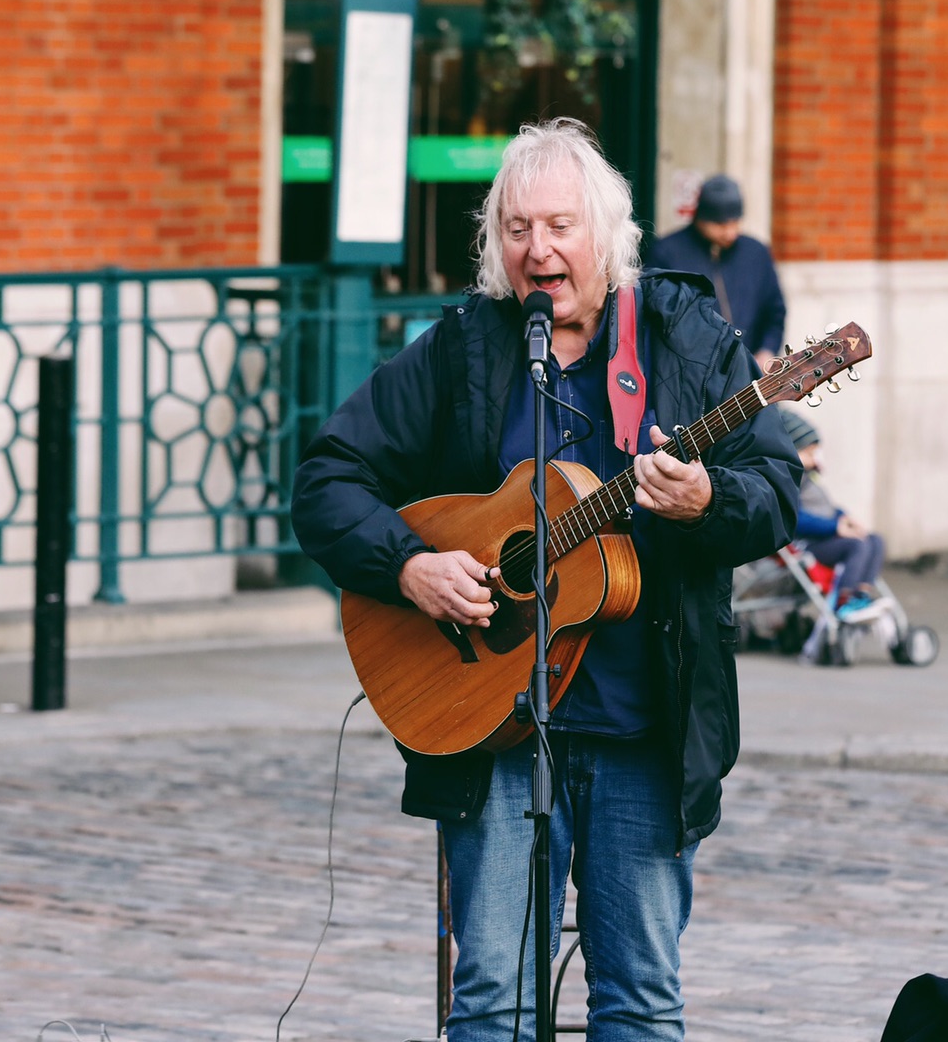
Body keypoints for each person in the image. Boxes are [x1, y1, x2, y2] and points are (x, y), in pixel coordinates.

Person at [291, 118, 801, 1041]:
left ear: (606, 233)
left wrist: (703, 500)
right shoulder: (463, 351)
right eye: (518, 229)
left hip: (646, 723)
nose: (539, 250)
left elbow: (773, 495)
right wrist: (409, 566)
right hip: (493, 727)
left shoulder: (686, 343)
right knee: (492, 1004)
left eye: (560, 226)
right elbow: (327, 479)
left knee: (641, 1004)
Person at [647, 174, 789, 371]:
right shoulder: (666, 253)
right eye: (721, 225)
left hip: (750, 374)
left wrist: (767, 350)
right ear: (700, 218)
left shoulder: (756, 253)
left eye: (735, 222)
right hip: (689, 380)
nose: (730, 232)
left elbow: (774, 311)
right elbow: (655, 323)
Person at [780, 409, 885, 607]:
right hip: (809, 544)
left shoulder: (808, 479)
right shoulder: (789, 483)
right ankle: (846, 599)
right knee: (857, 545)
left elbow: (824, 507)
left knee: (875, 540)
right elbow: (795, 518)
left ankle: (861, 593)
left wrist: (843, 517)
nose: (814, 460)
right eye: (808, 453)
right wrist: (835, 527)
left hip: (826, 535)